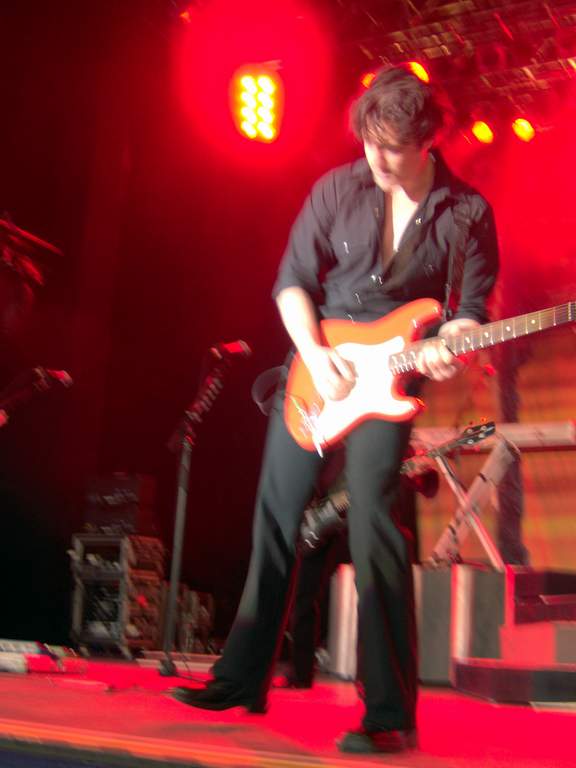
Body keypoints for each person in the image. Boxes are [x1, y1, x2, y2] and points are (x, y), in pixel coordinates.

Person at [171, 65, 499, 754]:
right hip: (319, 368)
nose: (375, 158)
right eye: (368, 142)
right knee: (275, 517)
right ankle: (240, 679)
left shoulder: (467, 211)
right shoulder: (336, 189)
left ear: (428, 141)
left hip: (389, 381)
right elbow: (292, 280)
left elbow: (468, 313)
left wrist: (455, 346)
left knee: (376, 524)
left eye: (392, 147)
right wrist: (315, 355)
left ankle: (389, 713)